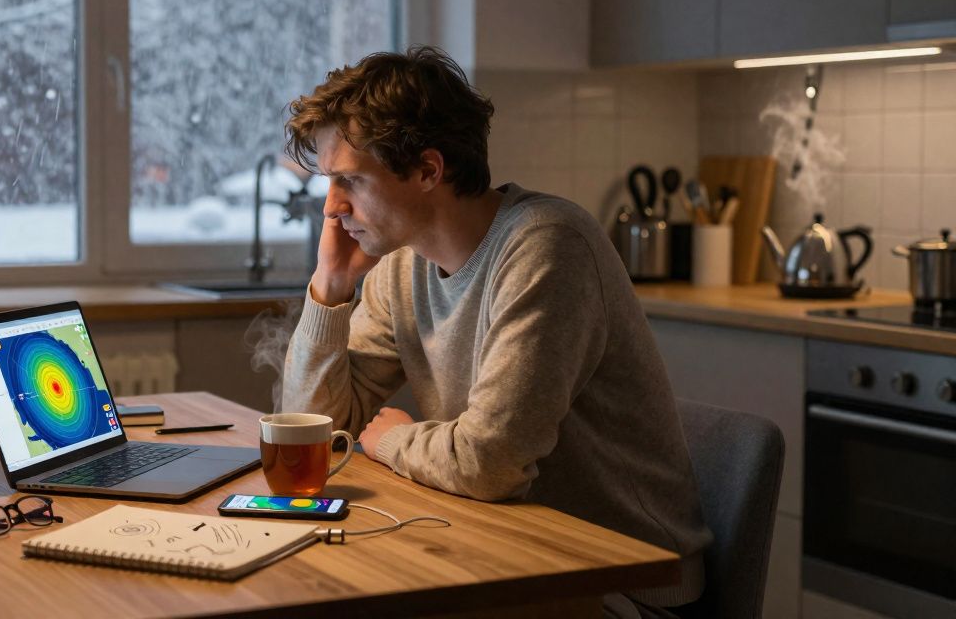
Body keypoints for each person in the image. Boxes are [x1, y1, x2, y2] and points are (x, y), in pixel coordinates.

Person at [280, 46, 711, 615]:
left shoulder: (547, 247)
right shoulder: (402, 265)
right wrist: (330, 285)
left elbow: (488, 465)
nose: (332, 207)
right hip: (512, 549)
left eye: (350, 181)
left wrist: (391, 440)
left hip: (622, 583)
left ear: (428, 170)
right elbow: (312, 437)